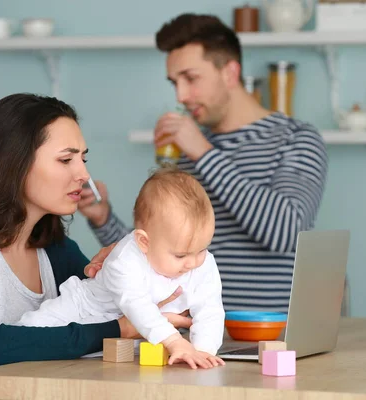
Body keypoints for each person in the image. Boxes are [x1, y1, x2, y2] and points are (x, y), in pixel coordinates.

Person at [0, 93, 190, 400]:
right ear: (15, 162)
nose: (83, 174)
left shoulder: (54, 247)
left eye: (83, 159)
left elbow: (101, 310)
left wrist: (128, 273)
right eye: (66, 159)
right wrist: (120, 328)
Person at [79, 13, 329, 312]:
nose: (181, 95)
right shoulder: (188, 151)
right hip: (192, 340)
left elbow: (284, 233)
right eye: (174, 82)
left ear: (230, 73)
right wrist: (102, 218)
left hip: (270, 336)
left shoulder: (296, 139)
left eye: (191, 78)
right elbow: (155, 253)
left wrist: (204, 152)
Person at [16, 167, 226, 369]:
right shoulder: (125, 259)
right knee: (31, 331)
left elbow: (210, 309)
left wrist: (203, 351)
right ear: (144, 242)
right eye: (180, 255)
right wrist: (175, 342)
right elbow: (137, 306)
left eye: (201, 249)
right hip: (84, 309)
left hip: (135, 332)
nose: (193, 263)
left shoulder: (202, 262)